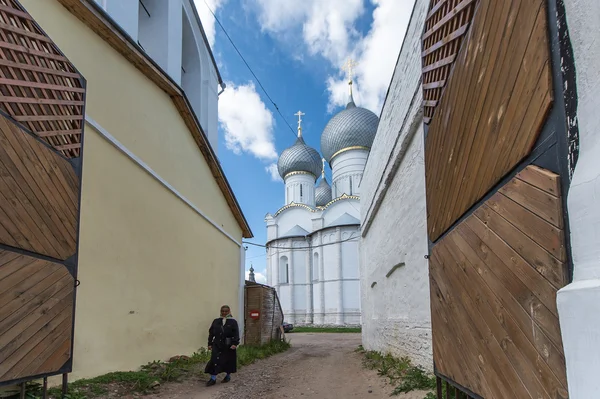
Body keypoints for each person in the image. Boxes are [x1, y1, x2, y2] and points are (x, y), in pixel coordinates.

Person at [204, 305, 240, 386]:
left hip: (228, 345)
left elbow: (236, 334)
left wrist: (235, 343)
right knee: (214, 360)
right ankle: (213, 379)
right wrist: (209, 343)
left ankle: (227, 376)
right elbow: (211, 333)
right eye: (222, 311)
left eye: (226, 311)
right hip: (217, 344)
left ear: (229, 311)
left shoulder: (233, 322)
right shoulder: (216, 321)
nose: (224, 313)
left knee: (228, 361)